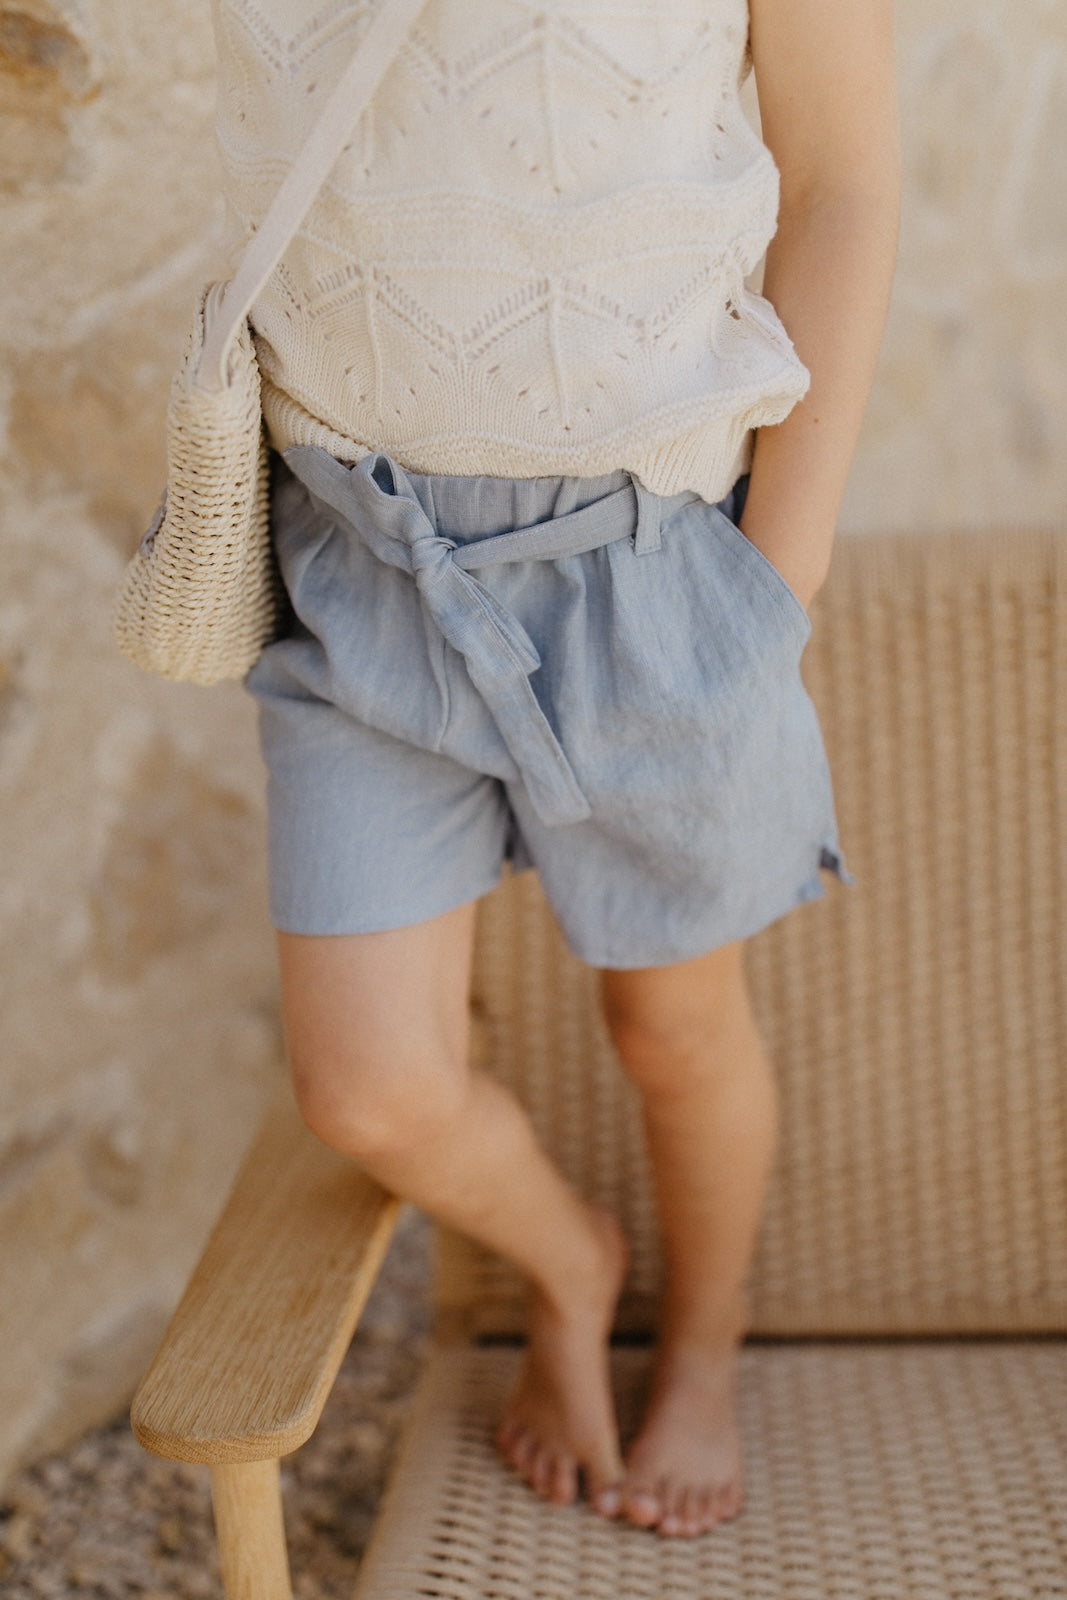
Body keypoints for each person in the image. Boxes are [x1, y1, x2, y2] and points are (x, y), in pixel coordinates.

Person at [220, 0, 899, 1539]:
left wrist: (772, 587)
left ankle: (705, 1352)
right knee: (372, 1091)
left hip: (650, 569)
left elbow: (847, 179)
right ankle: (575, 1258)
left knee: (673, 1027)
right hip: (358, 551)